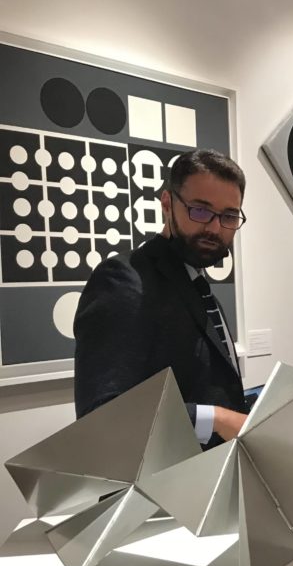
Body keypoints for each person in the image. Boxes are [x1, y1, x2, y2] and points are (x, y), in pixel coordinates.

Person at [74, 148, 247, 446]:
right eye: (201, 210)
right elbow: (102, 415)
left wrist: (266, 409)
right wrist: (216, 419)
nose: (215, 228)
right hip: (158, 487)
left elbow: (207, 389)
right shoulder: (124, 281)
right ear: (167, 204)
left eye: (229, 215)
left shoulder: (199, 288)